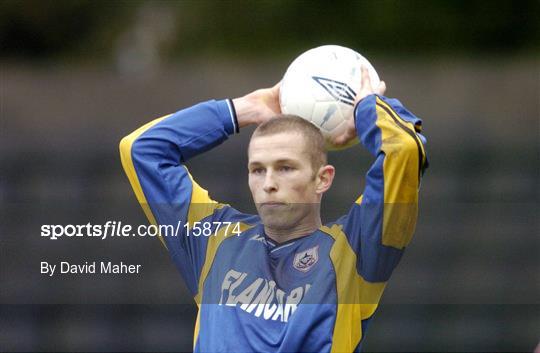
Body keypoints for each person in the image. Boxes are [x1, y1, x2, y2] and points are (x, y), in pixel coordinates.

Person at [119, 67, 428, 352]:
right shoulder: (213, 240)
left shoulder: (357, 251)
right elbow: (141, 149)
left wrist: (365, 108)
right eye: (257, 170)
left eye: (285, 168)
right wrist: (245, 108)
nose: (268, 183)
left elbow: (403, 150)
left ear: (323, 179)